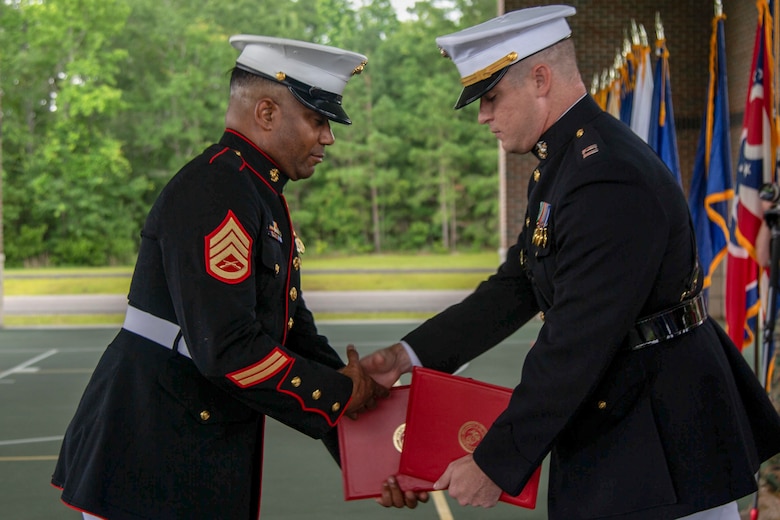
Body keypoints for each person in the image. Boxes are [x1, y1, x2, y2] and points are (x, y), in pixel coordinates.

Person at [362, 5, 780, 519]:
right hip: (630, 425)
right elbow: (515, 285)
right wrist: (408, 356)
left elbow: (577, 339)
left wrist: (495, 461)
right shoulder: (563, 167)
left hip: (663, 443)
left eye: (491, 97)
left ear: (540, 79)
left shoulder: (605, 177)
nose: (482, 116)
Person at [51, 35, 387, 520]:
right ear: (267, 113)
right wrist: (339, 395)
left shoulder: (256, 191)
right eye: (318, 120)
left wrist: (366, 446)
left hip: (187, 451)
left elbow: (291, 331)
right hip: (151, 458)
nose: (328, 137)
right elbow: (228, 346)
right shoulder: (218, 187)